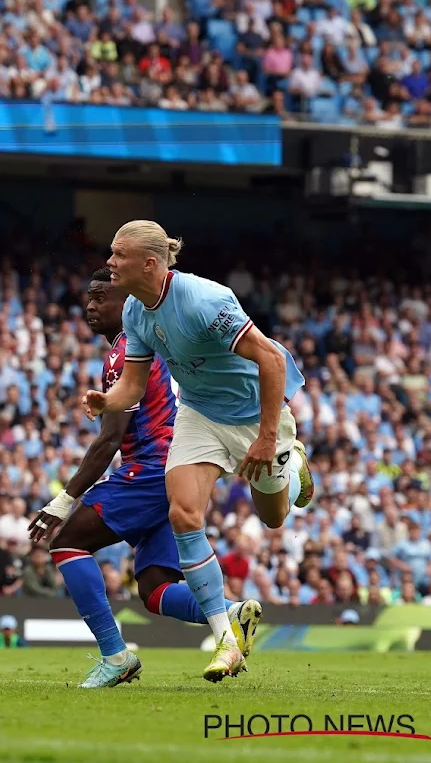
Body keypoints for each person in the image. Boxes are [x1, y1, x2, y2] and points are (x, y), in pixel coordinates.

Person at [83, 220, 313, 682]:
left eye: (118, 254)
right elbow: (131, 385)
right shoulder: (134, 310)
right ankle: (226, 638)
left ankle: (294, 466)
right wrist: (107, 401)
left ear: (149, 263)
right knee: (184, 515)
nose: (109, 262)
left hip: (254, 416)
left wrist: (268, 438)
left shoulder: (205, 299)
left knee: (273, 516)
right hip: (199, 415)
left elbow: (269, 359)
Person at [29, 269, 262, 688]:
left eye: (101, 297)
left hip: (152, 470)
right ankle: (230, 613)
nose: (90, 305)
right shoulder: (153, 344)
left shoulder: (126, 354)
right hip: (174, 469)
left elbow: (110, 439)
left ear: (128, 304)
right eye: (89, 297)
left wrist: (61, 502)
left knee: (67, 542)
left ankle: (116, 656)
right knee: (154, 589)